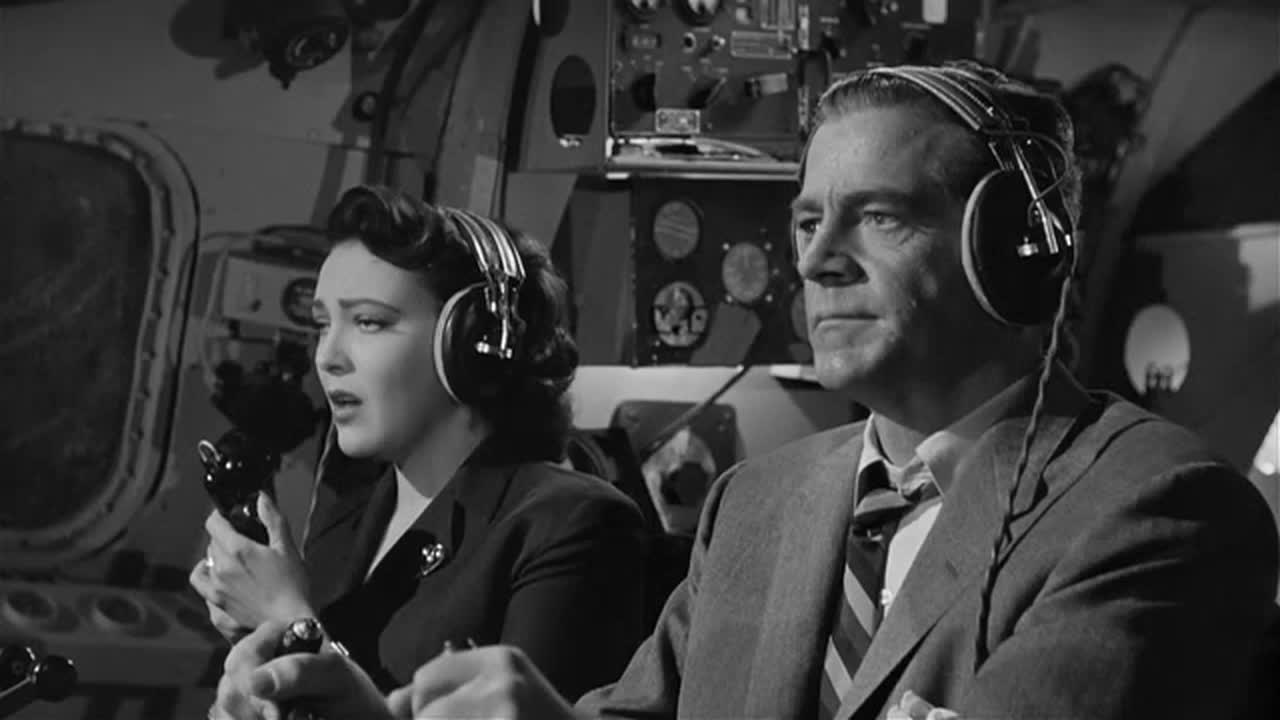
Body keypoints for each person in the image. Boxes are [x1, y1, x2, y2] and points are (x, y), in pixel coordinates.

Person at [209, 61, 1280, 720]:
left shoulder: (1154, 509)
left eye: (879, 216)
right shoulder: (757, 502)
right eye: (808, 220)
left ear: (1013, 252)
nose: (815, 261)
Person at [190, 184, 649, 704]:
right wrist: (262, 644)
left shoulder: (576, 524)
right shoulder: (348, 512)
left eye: (368, 322)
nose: (327, 357)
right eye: (322, 325)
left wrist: (287, 618)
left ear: (469, 342)